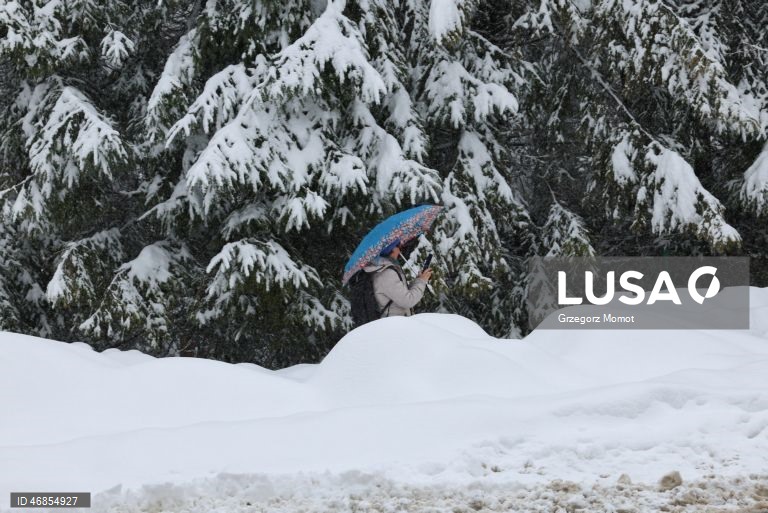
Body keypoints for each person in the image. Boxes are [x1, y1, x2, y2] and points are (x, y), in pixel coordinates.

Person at [362, 238, 433, 317]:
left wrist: (419, 280)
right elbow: (408, 300)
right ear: (390, 249)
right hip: (396, 324)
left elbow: (402, 294)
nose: (400, 249)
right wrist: (422, 281)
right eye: (397, 246)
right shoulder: (386, 274)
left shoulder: (383, 269)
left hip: (396, 321)